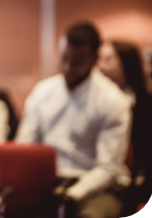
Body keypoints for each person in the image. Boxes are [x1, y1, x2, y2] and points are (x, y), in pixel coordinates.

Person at [17, 22, 131, 218]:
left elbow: (107, 169)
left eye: (77, 62)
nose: (68, 67)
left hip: (96, 189)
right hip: (48, 184)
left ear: (95, 59)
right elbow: (25, 148)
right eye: (64, 59)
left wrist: (70, 195)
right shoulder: (42, 91)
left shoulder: (113, 101)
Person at [98, 40, 152, 212]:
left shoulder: (147, 103)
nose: (100, 66)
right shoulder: (95, 102)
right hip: (98, 175)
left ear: (126, 63)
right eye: (99, 59)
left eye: (108, 60)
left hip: (135, 179)